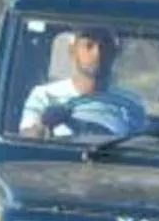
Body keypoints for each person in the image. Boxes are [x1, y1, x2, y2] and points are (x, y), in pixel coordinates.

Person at [18, 27, 146, 139]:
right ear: (72, 51)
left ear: (115, 53)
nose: (97, 53)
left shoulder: (130, 103)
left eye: (105, 45)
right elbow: (26, 139)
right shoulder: (45, 96)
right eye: (89, 45)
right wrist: (43, 124)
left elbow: (139, 148)